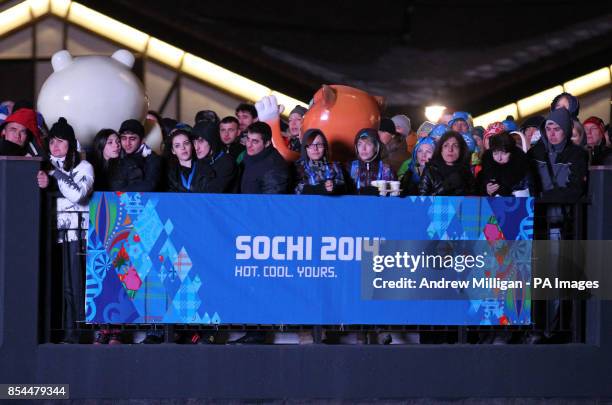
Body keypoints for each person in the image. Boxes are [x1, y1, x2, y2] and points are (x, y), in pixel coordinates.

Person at [37, 117, 94, 344]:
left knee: (76, 287)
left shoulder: (84, 166)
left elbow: (79, 194)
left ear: (70, 144)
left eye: (61, 142)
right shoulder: (43, 166)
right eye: (52, 142)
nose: (55, 147)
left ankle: (77, 335)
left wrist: (55, 174)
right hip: (51, 236)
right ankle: (56, 334)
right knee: (56, 285)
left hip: (76, 235)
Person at [528, 108, 588, 235]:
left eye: (557, 129)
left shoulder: (577, 155)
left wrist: (544, 196)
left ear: (566, 130)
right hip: (536, 220)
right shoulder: (534, 153)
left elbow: (575, 189)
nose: (552, 134)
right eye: (548, 129)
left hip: (566, 222)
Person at [110, 119, 162, 192]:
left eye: (132, 138)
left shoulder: (153, 159)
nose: (127, 143)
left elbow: (150, 185)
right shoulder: (117, 154)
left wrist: (118, 193)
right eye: (124, 138)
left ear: (142, 140)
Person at [418, 131, 475, 196]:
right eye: (446, 145)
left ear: (461, 150)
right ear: (441, 150)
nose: (450, 149)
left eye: (455, 145)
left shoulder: (466, 171)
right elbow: (423, 203)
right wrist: (445, 187)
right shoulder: (430, 170)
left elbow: (476, 202)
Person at [240, 121, 289, 195]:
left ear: (267, 143)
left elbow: (270, 201)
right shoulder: (251, 154)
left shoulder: (275, 168)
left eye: (255, 141)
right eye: (248, 139)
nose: (249, 145)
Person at [477, 132, 529, 197]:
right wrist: (486, 189)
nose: (499, 158)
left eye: (504, 153)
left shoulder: (523, 170)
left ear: (512, 153)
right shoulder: (487, 168)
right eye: (495, 153)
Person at [294, 129, 345, 195]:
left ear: (325, 147)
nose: (315, 149)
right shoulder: (297, 168)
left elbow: (344, 190)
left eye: (319, 144)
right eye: (311, 145)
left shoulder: (335, 166)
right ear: (305, 148)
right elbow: (296, 192)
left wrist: (334, 186)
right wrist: (321, 188)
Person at [192, 121, 237, 193]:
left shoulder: (227, 163)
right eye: (194, 142)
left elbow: (211, 194)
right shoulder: (197, 160)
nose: (196, 147)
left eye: (201, 141)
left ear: (211, 140)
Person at [347, 128, 396, 195]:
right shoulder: (350, 168)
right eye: (359, 144)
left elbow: (394, 198)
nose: (363, 148)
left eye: (368, 144)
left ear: (376, 147)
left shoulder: (387, 170)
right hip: (355, 205)